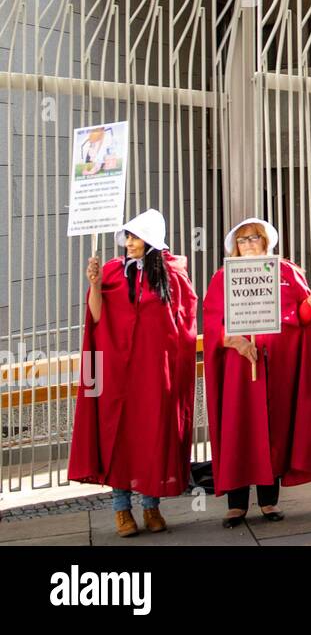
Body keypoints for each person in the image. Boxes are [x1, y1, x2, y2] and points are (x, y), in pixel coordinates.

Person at [69, 209, 198, 538]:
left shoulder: (171, 273)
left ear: (151, 241)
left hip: (154, 374)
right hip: (116, 372)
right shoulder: (112, 271)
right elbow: (95, 317)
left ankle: (151, 504)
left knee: (152, 434)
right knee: (118, 436)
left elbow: (184, 322)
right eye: (126, 236)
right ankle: (121, 509)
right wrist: (94, 285)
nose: (128, 242)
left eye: (135, 236)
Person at [202, 218, 311, 528]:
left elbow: (301, 315)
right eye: (243, 239)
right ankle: (236, 504)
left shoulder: (286, 272)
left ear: (266, 242)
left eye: (254, 238)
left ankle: (268, 501)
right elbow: (210, 323)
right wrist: (233, 340)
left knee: (272, 429)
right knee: (238, 428)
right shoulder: (222, 277)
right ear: (235, 246)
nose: (249, 244)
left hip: (277, 368)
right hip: (238, 368)